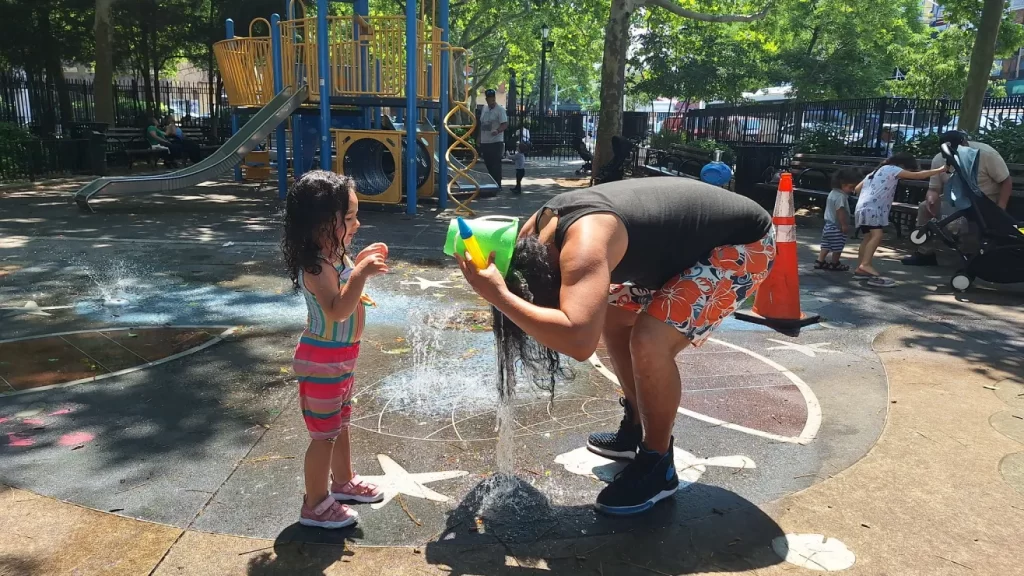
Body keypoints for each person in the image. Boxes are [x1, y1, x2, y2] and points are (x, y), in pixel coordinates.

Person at [456, 177, 775, 515]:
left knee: (650, 340)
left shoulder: (583, 249)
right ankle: (637, 425)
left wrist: (501, 298)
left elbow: (579, 341)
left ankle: (658, 465)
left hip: (740, 246)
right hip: (681, 248)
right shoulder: (533, 237)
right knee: (611, 316)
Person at [282, 170, 389, 529]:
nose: (356, 223)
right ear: (319, 223)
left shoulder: (334, 255)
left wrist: (358, 263)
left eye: (356, 215)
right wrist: (360, 274)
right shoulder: (315, 268)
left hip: (341, 359)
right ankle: (314, 504)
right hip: (322, 361)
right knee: (323, 435)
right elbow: (336, 309)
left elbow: (347, 284)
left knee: (341, 424)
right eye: (348, 218)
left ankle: (342, 483)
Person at [902, 130, 1012, 266]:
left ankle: (971, 257)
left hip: (984, 201)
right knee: (924, 207)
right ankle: (925, 253)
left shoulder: (986, 154)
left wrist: (1000, 209)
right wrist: (931, 198)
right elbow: (934, 188)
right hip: (954, 199)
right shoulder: (939, 159)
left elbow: (1006, 181)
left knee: (968, 220)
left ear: (964, 143)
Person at [853, 153, 947, 287]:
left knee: (868, 237)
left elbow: (857, 189)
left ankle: (860, 268)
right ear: (903, 165)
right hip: (874, 209)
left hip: (862, 207)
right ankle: (866, 265)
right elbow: (917, 176)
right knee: (877, 235)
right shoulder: (892, 169)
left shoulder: (875, 172)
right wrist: (940, 170)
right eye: (908, 169)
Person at [815, 168, 860, 272]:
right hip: (836, 226)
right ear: (842, 184)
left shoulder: (832, 193)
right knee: (838, 246)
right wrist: (844, 225)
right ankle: (835, 263)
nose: (852, 190)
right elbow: (840, 211)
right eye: (851, 187)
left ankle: (820, 260)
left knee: (826, 244)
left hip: (828, 226)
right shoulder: (841, 197)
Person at [478, 88, 508, 190]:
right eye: (488, 98)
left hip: (496, 141)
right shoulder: (484, 109)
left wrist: (498, 130)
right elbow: (481, 124)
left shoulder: (500, 110)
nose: (490, 101)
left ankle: (497, 184)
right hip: (485, 140)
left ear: (494, 98)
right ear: (486, 99)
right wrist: (479, 138)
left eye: (492, 98)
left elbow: (504, 124)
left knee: (496, 164)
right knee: (488, 163)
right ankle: (492, 182)